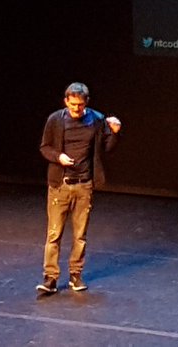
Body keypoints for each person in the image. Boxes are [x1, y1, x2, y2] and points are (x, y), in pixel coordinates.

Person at [37, 82, 122, 294]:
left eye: (80, 105)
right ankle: (50, 278)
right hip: (61, 185)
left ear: (86, 103)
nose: (76, 109)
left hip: (84, 185)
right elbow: (45, 147)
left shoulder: (96, 119)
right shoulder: (55, 119)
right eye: (73, 104)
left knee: (80, 235)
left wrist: (114, 133)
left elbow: (108, 148)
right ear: (66, 101)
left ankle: (76, 275)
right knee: (54, 234)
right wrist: (58, 157)